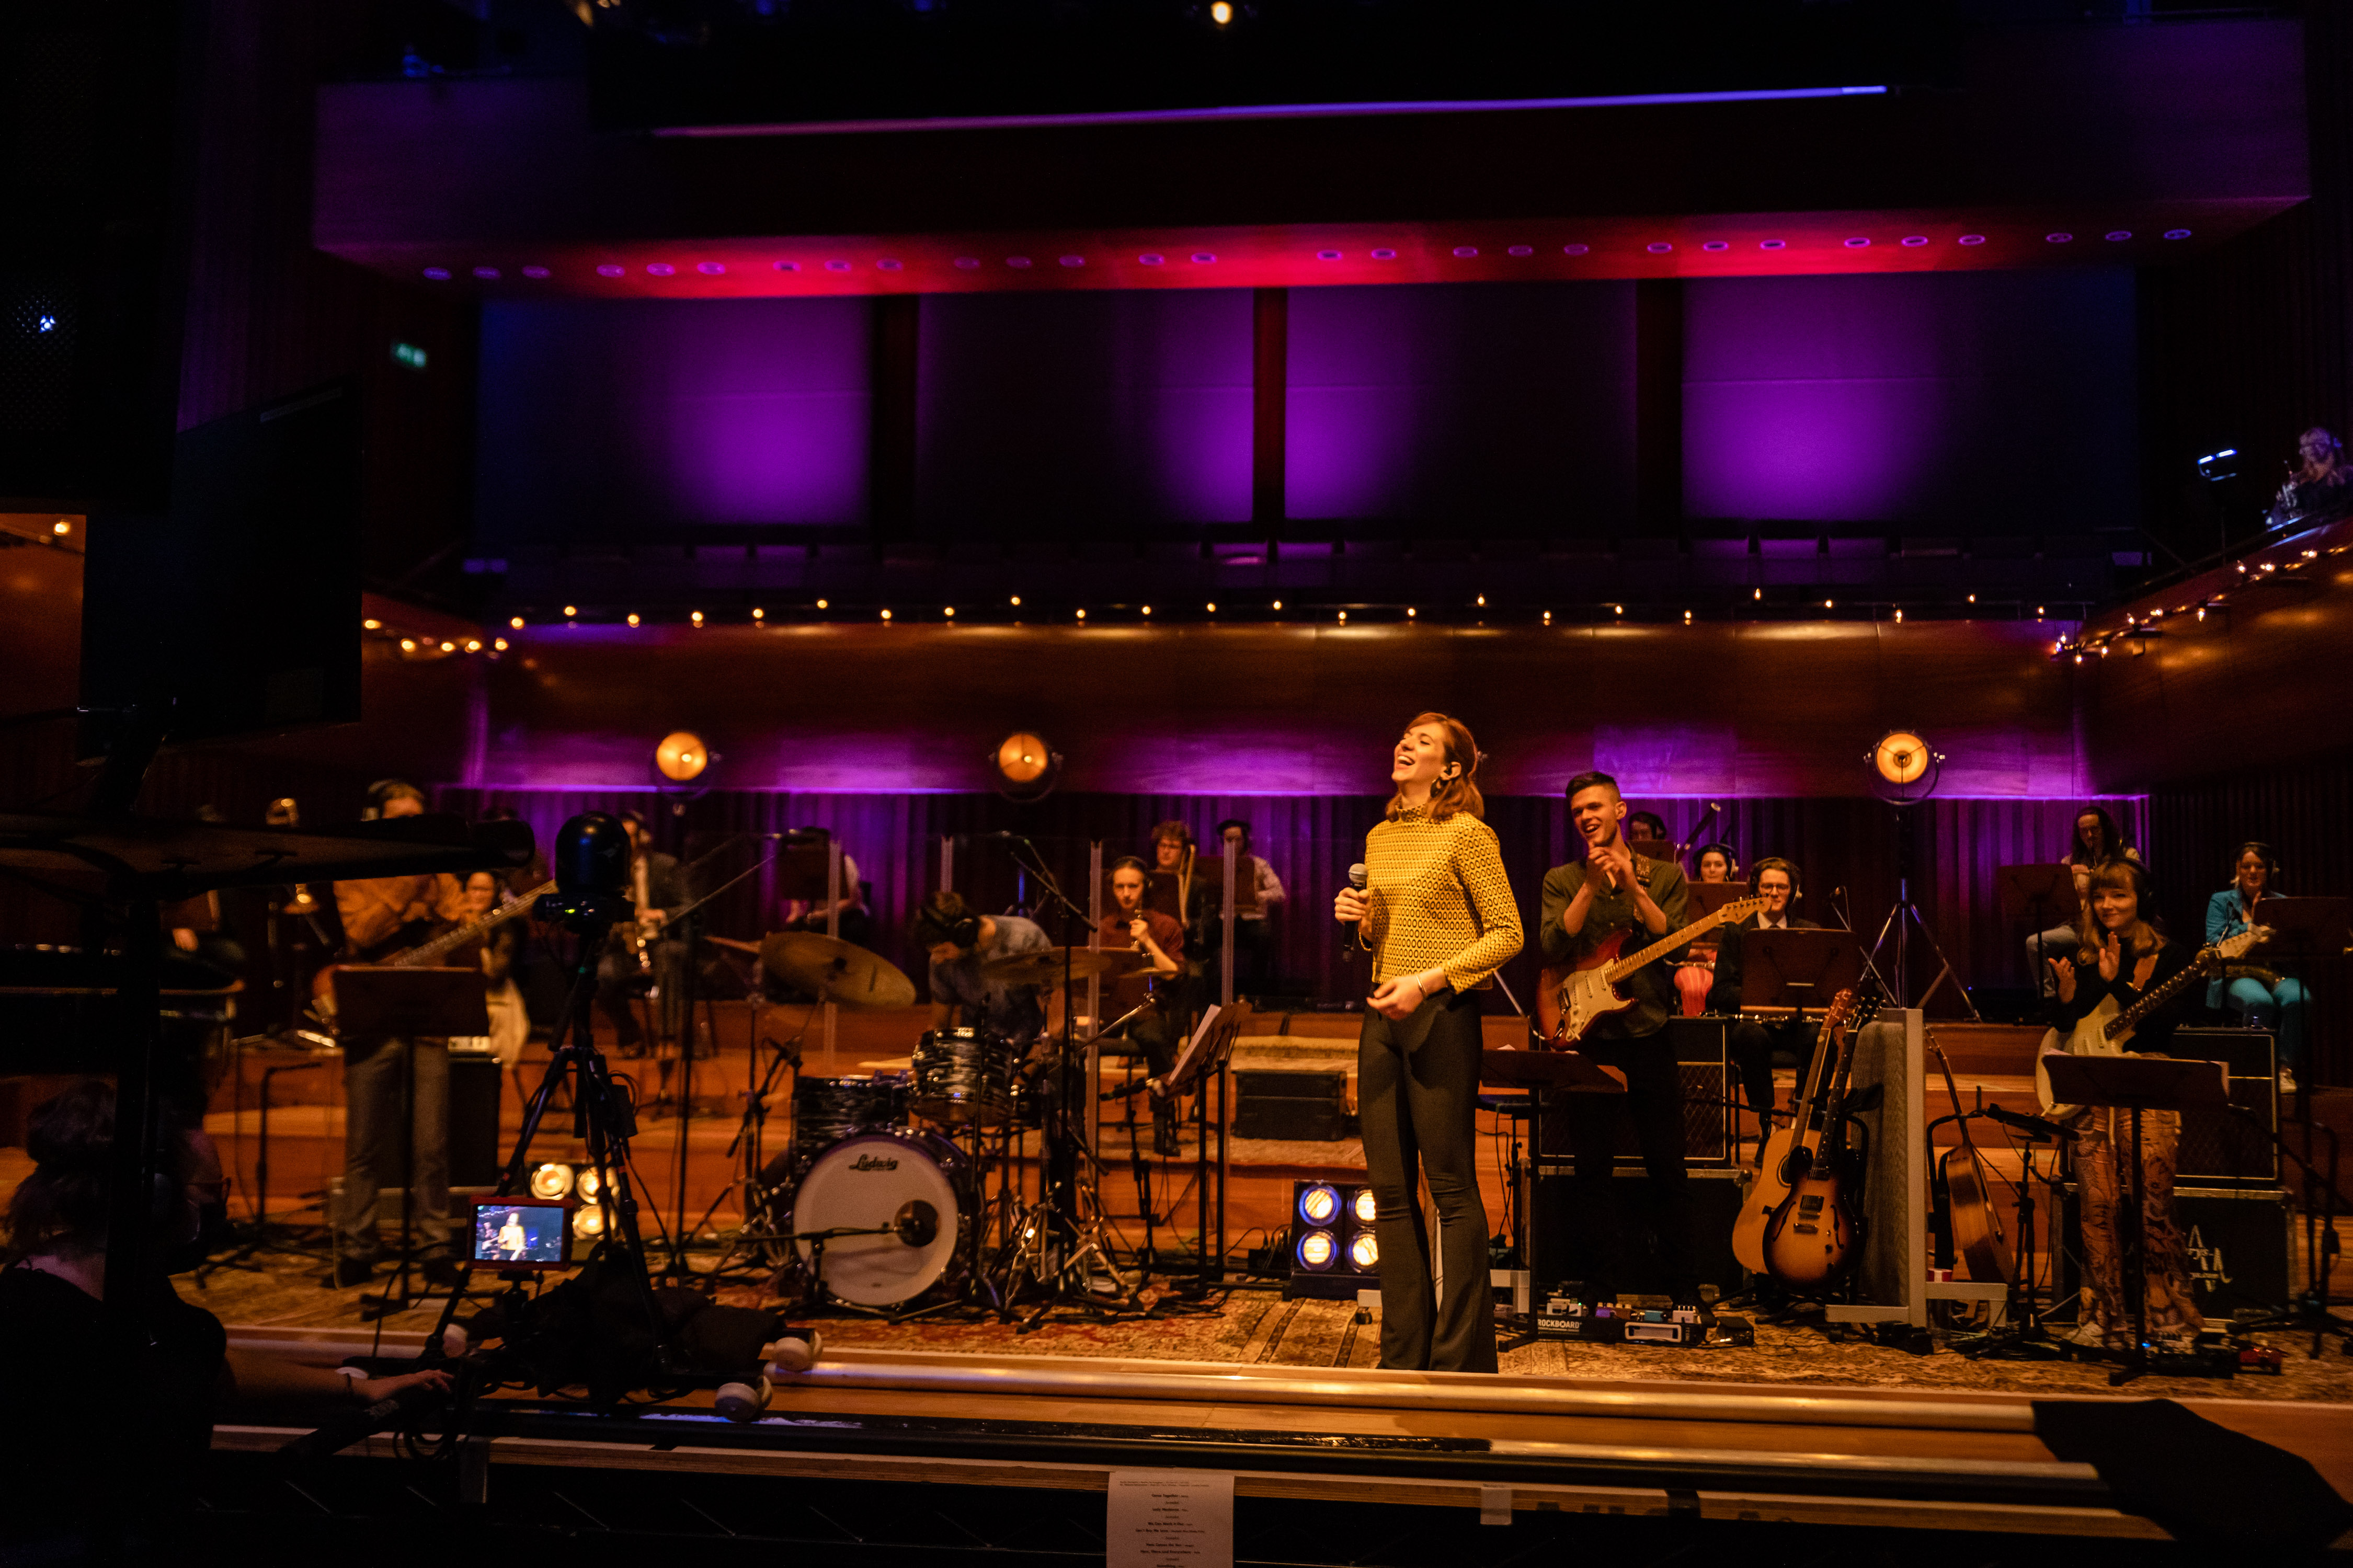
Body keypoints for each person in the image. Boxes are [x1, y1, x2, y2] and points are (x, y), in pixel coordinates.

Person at [0, 1081, 448, 1559]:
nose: (222, 1210)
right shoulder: (34, 1318)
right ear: (153, 1195)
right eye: (211, 1193)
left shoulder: (133, 1287)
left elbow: (202, 1361)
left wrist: (359, 1387)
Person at [1333, 713, 1521, 1373]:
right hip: (1384, 1014)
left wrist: (1428, 980)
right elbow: (1384, 934)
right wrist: (1359, 921)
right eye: (1403, 733)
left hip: (1441, 1012)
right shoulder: (1380, 837)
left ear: (1450, 768)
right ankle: (1403, 1353)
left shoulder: (1468, 833)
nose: (1405, 742)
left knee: (1450, 1188)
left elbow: (1506, 932)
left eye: (1423, 740)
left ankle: (1458, 1357)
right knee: (1388, 1191)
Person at [1538, 771, 1696, 1303]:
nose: (1586, 816)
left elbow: (1672, 944)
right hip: (1589, 1039)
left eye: (1595, 807)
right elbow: (1552, 941)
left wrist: (1632, 885)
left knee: (1668, 1166)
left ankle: (1682, 1287)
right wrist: (1588, 884)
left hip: (1649, 1030)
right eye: (1578, 809)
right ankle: (1600, 1285)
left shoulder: (1666, 874)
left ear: (1620, 810)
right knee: (1592, 1171)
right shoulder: (1561, 878)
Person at [2045, 859, 2204, 1348]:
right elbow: (2071, 1027)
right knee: (2097, 1203)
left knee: (2153, 1201)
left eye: (2119, 895)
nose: (2108, 905)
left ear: (2144, 901)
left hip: (2148, 1085)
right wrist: (2065, 999)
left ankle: (2166, 1313)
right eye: (2100, 897)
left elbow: (2160, 1029)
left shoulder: (2175, 956)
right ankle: (2103, 1312)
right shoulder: (2086, 953)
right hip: (2095, 1089)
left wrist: (2118, 982)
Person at [330, 779, 469, 1288]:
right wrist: (408, 889)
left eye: (419, 817)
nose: (415, 828)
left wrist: (436, 891)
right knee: (364, 1143)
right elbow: (361, 932)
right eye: (403, 818)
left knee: (431, 1143)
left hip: (428, 1016)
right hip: (371, 1015)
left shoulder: (440, 869)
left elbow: (458, 916)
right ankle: (358, 1244)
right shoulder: (356, 870)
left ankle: (434, 1244)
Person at [1709, 857, 1821, 1123]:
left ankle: (1808, 1119)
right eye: (1767, 886)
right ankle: (1766, 1122)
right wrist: (1763, 995)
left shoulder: (1810, 932)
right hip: (1754, 1025)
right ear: (1756, 890)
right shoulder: (1737, 931)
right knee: (1751, 1037)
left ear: (1792, 890)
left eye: (1781, 887)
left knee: (1820, 1039)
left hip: (1796, 1025)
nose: (1774, 893)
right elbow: (1721, 991)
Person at [1099, 855, 1187, 1154]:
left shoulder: (1165, 925)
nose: (1126, 894)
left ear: (1144, 887)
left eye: (1133, 887)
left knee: (1155, 1038)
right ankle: (1073, 1124)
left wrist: (1148, 941)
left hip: (1145, 1009)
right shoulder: (1105, 928)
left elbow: (1175, 974)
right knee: (1069, 1041)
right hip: (1111, 1009)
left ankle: (1163, 1128)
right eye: (1120, 887)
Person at [2206, 841, 2308, 1092]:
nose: (2252, 872)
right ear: (2238, 870)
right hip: (2236, 973)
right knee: (2259, 1002)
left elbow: (2289, 946)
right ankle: (2256, 1071)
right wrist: (2251, 924)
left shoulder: (2281, 902)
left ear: (2269, 870)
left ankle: (2284, 1070)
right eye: (2246, 866)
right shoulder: (2221, 901)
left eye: (2259, 866)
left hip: (2276, 972)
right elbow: (2214, 941)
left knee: (2300, 999)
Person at [596, 809, 689, 1058]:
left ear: (643, 839)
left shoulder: (666, 866)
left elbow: (688, 906)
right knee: (600, 976)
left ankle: (667, 1038)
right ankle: (630, 1034)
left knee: (669, 959)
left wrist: (658, 914)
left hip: (661, 940)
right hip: (625, 946)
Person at [911, 889, 1056, 1046]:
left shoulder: (1025, 939)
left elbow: (1057, 1023)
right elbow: (940, 1027)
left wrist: (1028, 1068)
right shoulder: (941, 962)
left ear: (964, 933)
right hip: (975, 1056)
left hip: (1029, 1051)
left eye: (943, 951)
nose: (938, 960)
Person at [2027, 806, 2143, 992]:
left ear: (2105, 829)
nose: (2089, 835)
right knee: (2035, 943)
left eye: (2095, 829)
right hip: (2081, 926)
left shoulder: (2128, 855)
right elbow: (2061, 904)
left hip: (2116, 925)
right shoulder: (2069, 862)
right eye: (2084, 831)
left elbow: (2136, 886)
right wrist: (2065, 881)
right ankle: (2048, 998)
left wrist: (2094, 874)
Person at [1214, 818, 1286, 1000]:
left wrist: (1256, 896)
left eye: (1237, 839)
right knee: (1207, 936)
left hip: (1252, 920)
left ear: (1246, 840)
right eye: (1228, 839)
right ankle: (1213, 994)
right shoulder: (1215, 866)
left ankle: (1256, 993)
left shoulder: (1259, 864)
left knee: (1263, 936)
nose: (1232, 843)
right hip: (1223, 920)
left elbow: (1279, 892)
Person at [1672, 841, 1739, 1018]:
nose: (1712, 870)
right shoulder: (1684, 898)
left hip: (1727, 964)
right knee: (1693, 987)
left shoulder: (1742, 899)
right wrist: (1700, 949)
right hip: (1692, 960)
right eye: (1706, 865)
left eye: (1719, 865)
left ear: (1728, 870)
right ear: (1699, 870)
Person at [778, 850, 874, 952]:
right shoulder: (806, 863)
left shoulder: (845, 862)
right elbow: (796, 890)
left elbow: (851, 901)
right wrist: (795, 912)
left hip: (845, 914)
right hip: (817, 916)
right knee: (790, 932)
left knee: (854, 929)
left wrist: (821, 915)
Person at [2269, 426, 2353, 528]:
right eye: (2307, 445)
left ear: (2329, 445)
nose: (2312, 448)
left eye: (2318, 443)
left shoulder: (2345, 476)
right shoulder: (2298, 483)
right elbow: (2276, 520)